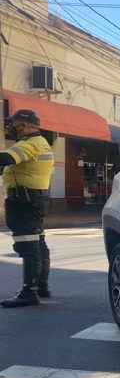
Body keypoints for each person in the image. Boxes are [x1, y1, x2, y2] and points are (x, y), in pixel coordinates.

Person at [0, 109, 54, 307]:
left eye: (14, 125)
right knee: (38, 243)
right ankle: (41, 286)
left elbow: (6, 159)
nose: (13, 129)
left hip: (24, 201)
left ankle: (29, 292)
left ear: (25, 126)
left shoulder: (29, 144)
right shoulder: (41, 143)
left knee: (28, 245)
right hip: (33, 198)